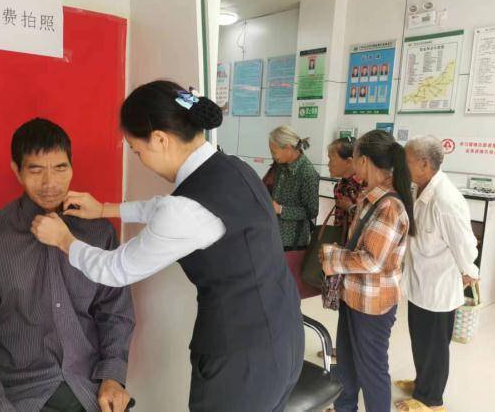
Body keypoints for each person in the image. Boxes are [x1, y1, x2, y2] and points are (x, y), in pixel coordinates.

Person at [30, 81, 304, 412]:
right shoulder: (233, 167)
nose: (141, 160)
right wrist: (105, 209)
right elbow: (167, 208)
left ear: (160, 139)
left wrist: (63, 239)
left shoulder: (186, 208)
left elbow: (116, 269)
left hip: (240, 363)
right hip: (285, 338)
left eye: (137, 151)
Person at [0, 118, 135, 412]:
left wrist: (112, 377)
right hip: (21, 399)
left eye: (60, 168)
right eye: (36, 170)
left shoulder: (98, 233)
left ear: (71, 167)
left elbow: (115, 312)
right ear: (17, 171)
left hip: (89, 393)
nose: (50, 184)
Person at [321, 130, 416, 412]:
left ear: (364, 161)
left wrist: (332, 256)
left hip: (373, 304)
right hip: (354, 295)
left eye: (354, 158)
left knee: (371, 370)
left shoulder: (389, 206)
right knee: (346, 363)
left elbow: (372, 260)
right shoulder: (371, 197)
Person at [395, 136, 480, 412]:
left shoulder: (445, 199)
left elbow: (465, 244)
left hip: (438, 287)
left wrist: (469, 271)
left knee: (434, 347)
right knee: (421, 340)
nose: (402, 166)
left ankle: (432, 401)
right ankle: (422, 384)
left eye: (406, 161)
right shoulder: (420, 189)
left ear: (424, 163)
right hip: (420, 283)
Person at [316, 138, 366, 362]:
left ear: (349, 161)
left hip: (357, 254)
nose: (328, 163)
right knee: (343, 300)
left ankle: (354, 351)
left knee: (355, 304)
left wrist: (352, 207)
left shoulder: (365, 185)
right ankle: (344, 348)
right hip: (341, 248)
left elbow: (369, 219)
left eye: (331, 158)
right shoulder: (341, 184)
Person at [268, 125, 320, 249]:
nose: (272, 156)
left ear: (288, 148)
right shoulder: (281, 166)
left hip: (292, 243)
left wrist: (281, 209)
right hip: (274, 235)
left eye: (274, 152)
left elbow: (312, 211)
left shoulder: (307, 173)